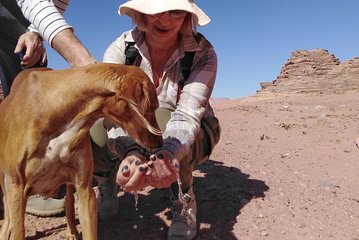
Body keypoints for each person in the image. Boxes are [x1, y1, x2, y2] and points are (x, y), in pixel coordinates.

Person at [96, 0, 221, 239]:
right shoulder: (121, 49)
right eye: (155, 11)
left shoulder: (203, 54)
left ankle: (183, 201)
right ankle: (106, 182)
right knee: (94, 128)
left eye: (174, 11)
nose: (164, 19)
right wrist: (130, 151)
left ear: (186, 15)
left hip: (192, 134)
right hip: (133, 131)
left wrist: (169, 154)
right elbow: (113, 110)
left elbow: (187, 115)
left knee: (163, 117)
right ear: (141, 13)